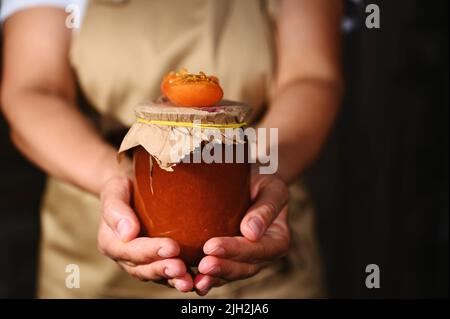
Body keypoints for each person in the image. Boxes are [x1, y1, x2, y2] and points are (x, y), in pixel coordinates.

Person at [0, 0, 343, 298]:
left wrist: (262, 168)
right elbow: (33, 90)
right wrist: (113, 177)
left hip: (258, 239)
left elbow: (311, 77)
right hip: (91, 261)